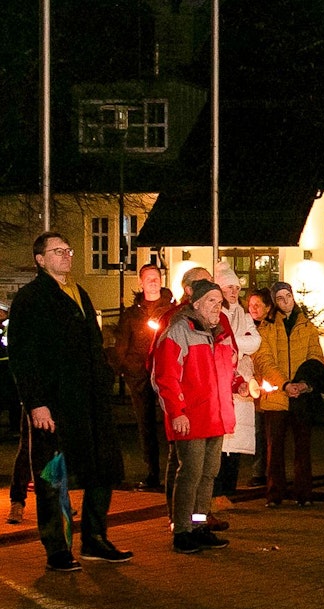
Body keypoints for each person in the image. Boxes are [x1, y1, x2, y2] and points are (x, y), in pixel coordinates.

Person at [8, 232, 131, 570]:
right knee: (53, 477)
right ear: (40, 259)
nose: (66, 255)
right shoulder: (31, 299)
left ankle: (95, 538)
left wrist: (104, 375)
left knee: (103, 470)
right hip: (56, 405)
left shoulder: (79, 293)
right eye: (57, 251)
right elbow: (23, 355)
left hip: (90, 402)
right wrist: (36, 402)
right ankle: (58, 549)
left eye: (68, 250)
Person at [153, 279, 239, 554]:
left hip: (215, 416)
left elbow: (229, 372)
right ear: (197, 303)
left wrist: (240, 385)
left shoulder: (220, 332)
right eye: (211, 301)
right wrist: (177, 411)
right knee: (190, 474)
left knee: (208, 475)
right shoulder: (180, 330)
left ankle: (199, 525)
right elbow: (165, 377)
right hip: (191, 417)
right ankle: (182, 531)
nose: (217, 306)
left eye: (219, 301)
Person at [252, 282, 324, 509]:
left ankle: (303, 494)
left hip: (301, 396)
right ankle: (275, 495)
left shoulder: (307, 326)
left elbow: (315, 355)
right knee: (274, 450)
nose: (286, 301)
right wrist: (284, 384)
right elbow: (264, 360)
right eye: (281, 298)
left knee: (303, 448)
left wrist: (304, 384)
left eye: (288, 296)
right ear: (275, 301)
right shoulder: (266, 328)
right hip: (276, 396)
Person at [113, 262, 175, 491]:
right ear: (141, 282)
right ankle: (152, 473)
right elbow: (122, 345)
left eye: (156, 277)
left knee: (173, 422)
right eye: (148, 278)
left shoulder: (172, 311)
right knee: (145, 426)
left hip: (166, 375)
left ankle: (175, 469)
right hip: (140, 377)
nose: (153, 281)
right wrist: (129, 369)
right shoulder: (132, 314)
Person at [208, 262, 261, 520]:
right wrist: (238, 342)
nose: (233, 291)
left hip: (242, 380)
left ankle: (227, 490)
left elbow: (255, 341)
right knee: (221, 440)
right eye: (229, 286)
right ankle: (214, 492)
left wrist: (235, 343)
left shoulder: (241, 313)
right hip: (223, 380)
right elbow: (224, 342)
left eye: (236, 287)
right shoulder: (217, 314)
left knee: (237, 440)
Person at [245, 288, 273, 490]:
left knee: (264, 432)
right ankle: (257, 470)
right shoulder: (245, 325)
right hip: (249, 385)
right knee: (254, 431)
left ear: (268, 307)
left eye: (258, 305)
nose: (253, 309)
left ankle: (262, 471)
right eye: (250, 305)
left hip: (266, 385)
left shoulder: (269, 329)